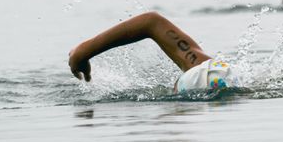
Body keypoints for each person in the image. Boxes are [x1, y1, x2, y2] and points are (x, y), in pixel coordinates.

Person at [68, 12, 239, 93]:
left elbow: (151, 21)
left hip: (217, 70)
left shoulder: (203, 68)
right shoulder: (206, 71)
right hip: (220, 76)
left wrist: (83, 51)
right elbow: (151, 22)